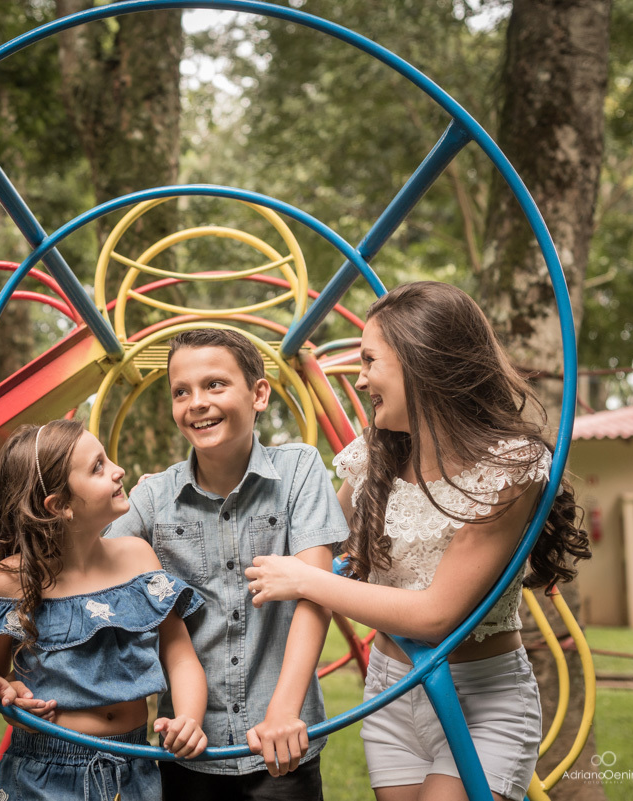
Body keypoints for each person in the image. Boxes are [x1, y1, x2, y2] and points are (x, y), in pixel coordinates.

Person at [244, 281, 591, 801]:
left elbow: (436, 615)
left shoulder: (510, 469)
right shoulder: (373, 456)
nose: (359, 380)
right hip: (391, 691)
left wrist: (306, 579)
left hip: (480, 699)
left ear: (419, 362)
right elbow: (318, 546)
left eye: (368, 361)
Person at [107, 327, 348, 800]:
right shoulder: (155, 497)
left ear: (258, 394)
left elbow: (316, 594)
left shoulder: (299, 469)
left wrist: (283, 710)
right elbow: (86, 564)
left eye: (214, 385)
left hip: (281, 744)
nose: (196, 402)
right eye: (181, 392)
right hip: (190, 742)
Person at [0, 419, 209, 801]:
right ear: (61, 506)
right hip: (45, 775)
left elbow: (180, 654)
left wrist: (189, 717)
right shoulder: (13, 580)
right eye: (98, 466)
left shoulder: (138, 557)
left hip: (133, 768)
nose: (118, 470)